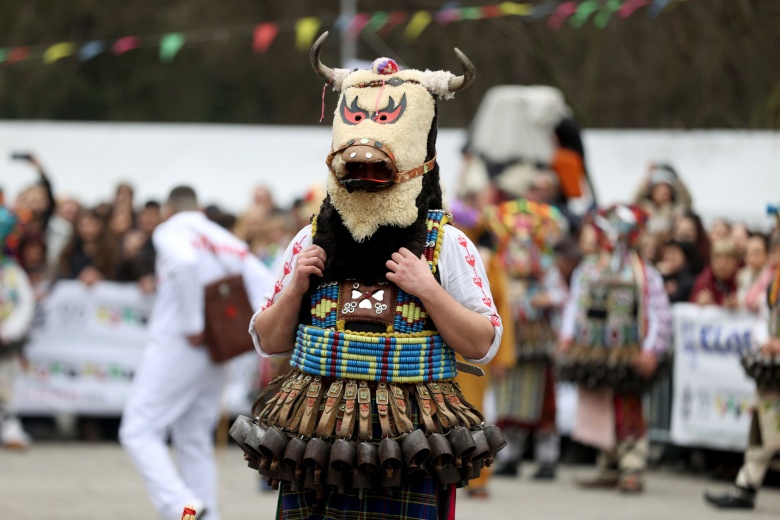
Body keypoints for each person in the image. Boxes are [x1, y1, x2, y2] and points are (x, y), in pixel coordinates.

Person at [232, 35, 504, 520]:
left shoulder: (448, 245)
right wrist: (295, 288)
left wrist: (427, 289)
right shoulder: (309, 239)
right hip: (315, 437)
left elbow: (483, 344)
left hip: (410, 441)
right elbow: (269, 343)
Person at [119, 186, 273, 520]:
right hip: (216, 349)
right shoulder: (225, 239)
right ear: (200, 208)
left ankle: (181, 508)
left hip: (178, 342)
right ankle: (202, 515)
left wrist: (192, 324)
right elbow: (265, 280)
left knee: (137, 431)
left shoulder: (170, 230)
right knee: (193, 437)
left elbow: (185, 262)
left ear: (169, 210)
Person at [557, 205, 672, 493]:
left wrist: (651, 350)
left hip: (628, 350)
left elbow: (658, 313)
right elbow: (575, 304)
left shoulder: (644, 273)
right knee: (600, 407)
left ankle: (632, 466)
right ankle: (608, 465)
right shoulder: (587, 269)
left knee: (627, 406)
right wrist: (567, 336)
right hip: (594, 351)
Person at [486, 195, 565, 481]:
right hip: (510, 336)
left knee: (543, 400)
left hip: (537, 338)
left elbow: (561, 293)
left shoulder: (545, 262)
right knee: (509, 397)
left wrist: (548, 298)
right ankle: (510, 455)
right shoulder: (499, 261)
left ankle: (547, 458)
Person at [704, 212, 780, 510]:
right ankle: (745, 487)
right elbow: (763, 318)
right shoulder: (773, 284)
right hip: (774, 368)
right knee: (763, 427)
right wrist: (766, 341)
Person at [0, 206, 36, 450]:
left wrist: (10, 330)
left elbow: (25, 302)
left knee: (5, 385)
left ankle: (9, 426)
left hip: (5, 342)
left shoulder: (12, 272)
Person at [56, 207, 121, 285]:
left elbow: (117, 274)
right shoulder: (70, 250)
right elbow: (64, 272)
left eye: (91, 224)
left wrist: (100, 276)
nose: (87, 229)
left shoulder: (112, 249)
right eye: (83, 225)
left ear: (100, 225)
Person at [633, 163, 692, 237]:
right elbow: (634, 202)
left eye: (667, 190)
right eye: (660, 189)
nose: (664, 193)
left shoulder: (674, 210)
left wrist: (676, 178)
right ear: (653, 191)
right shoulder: (644, 207)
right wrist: (648, 176)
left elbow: (687, 201)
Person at [689, 238, 741, 308]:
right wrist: (698, 302)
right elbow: (691, 304)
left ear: (735, 262)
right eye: (718, 260)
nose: (722, 265)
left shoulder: (741, 279)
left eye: (727, 261)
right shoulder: (704, 279)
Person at [737, 233, 769, 310]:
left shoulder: (772, 275)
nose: (753, 257)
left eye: (757, 253)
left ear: (767, 254)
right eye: (749, 253)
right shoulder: (742, 275)